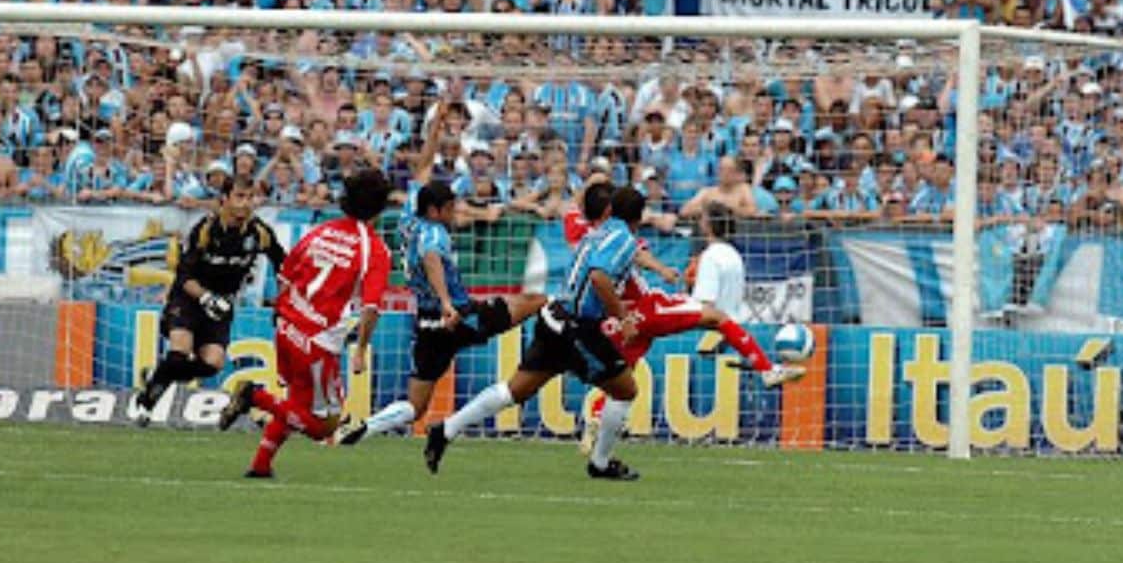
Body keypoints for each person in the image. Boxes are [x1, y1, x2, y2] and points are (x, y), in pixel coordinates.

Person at [424, 184, 645, 480]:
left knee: (516, 390)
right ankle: (601, 463)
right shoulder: (623, 239)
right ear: (638, 217)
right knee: (625, 389)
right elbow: (599, 276)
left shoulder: (598, 232)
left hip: (553, 317)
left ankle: (446, 429)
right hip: (576, 327)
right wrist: (622, 316)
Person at [579, 200, 805, 453]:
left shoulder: (599, 240)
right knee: (717, 318)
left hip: (628, 317)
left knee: (623, 379)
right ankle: (766, 369)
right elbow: (640, 255)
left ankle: (595, 418)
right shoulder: (624, 240)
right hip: (647, 309)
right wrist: (663, 270)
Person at [337, 180, 546, 445]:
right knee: (537, 301)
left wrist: (432, 139)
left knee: (415, 406)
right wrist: (447, 302)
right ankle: (554, 346)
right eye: (450, 207)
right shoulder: (435, 233)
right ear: (435, 211)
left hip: (426, 325)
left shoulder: (409, 220)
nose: (455, 211)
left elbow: (420, 174)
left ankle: (365, 427)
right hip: (460, 317)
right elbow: (431, 257)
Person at [218, 169, 393, 478]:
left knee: (297, 403)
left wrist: (286, 313)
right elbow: (370, 308)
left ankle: (261, 464)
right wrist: (361, 349)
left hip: (287, 325)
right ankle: (254, 397)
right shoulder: (374, 249)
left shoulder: (321, 231)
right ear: (380, 207)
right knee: (323, 426)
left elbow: (285, 275)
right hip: (318, 341)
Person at [135, 176, 285, 415]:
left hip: (223, 303)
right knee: (179, 353)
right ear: (224, 200)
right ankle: (146, 403)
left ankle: (157, 374)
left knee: (213, 364)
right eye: (239, 196)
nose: (245, 203)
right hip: (189, 298)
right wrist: (206, 298)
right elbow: (184, 277)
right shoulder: (205, 230)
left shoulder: (260, 233)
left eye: (250, 197)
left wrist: (283, 299)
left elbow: (283, 265)